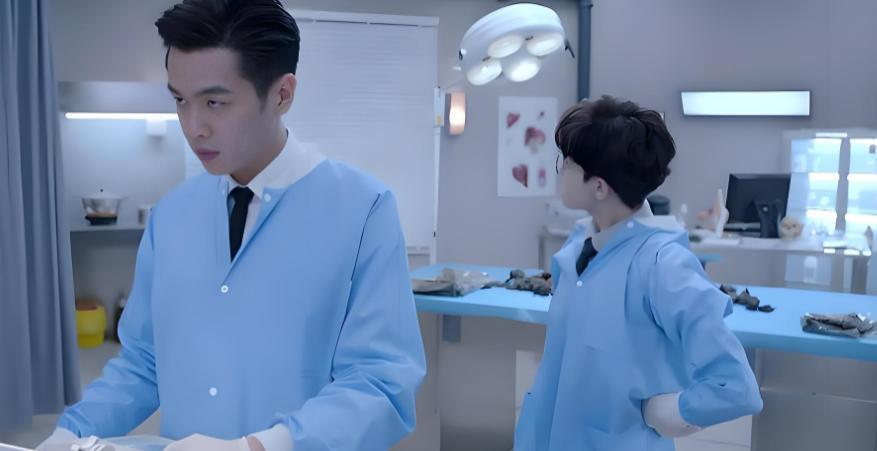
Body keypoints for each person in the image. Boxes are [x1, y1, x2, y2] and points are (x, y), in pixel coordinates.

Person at [39, 1, 425, 450]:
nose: (193, 127)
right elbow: (144, 362)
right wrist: (72, 431)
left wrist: (260, 447)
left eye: (215, 103)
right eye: (180, 100)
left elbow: (380, 382)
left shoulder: (363, 209)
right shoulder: (172, 215)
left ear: (281, 95)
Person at [514, 95, 763, 450]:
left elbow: (735, 386)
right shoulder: (578, 246)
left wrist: (671, 411)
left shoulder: (663, 265)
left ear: (599, 186)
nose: (560, 171)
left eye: (567, 163)